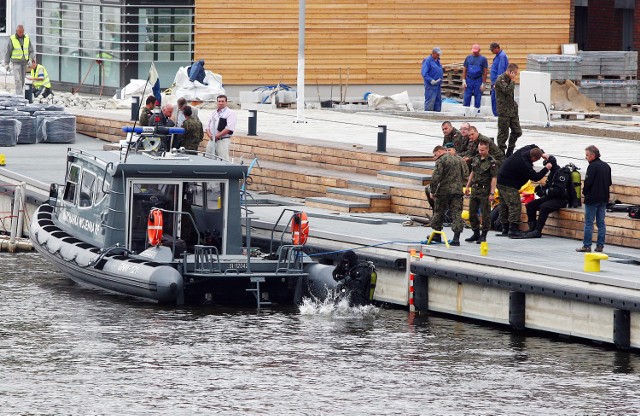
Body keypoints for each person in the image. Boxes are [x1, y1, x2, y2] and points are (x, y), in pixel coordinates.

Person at [496, 144, 551, 238]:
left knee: (504, 205)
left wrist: (542, 152)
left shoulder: (525, 149)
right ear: (533, 157)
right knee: (515, 206)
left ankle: (505, 229)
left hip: (500, 179)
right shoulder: (525, 164)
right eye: (536, 160)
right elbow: (535, 177)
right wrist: (547, 168)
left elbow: (533, 145)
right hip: (509, 184)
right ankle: (513, 230)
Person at [518, 155, 571, 239]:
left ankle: (537, 231)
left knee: (544, 207)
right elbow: (549, 186)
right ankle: (532, 229)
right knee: (530, 205)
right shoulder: (552, 173)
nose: (547, 167)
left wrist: (544, 192)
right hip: (551, 197)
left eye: (547, 165)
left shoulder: (562, 173)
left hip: (561, 199)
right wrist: (540, 188)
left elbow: (558, 191)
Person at [576, 145, 612, 253]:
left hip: (592, 199)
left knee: (589, 223)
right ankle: (600, 245)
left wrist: (584, 192)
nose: (586, 157)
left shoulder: (592, 167)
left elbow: (588, 183)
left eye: (587, 155)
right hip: (604, 198)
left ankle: (587, 246)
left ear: (593, 155)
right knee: (601, 223)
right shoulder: (607, 166)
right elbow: (609, 183)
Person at [429, 145, 467, 246]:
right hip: (457, 191)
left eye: (435, 154)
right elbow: (466, 174)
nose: (435, 157)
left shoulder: (441, 160)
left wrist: (432, 191)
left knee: (439, 212)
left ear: (440, 151)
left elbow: (436, 177)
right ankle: (456, 238)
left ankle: (437, 235)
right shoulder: (459, 160)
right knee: (456, 213)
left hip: (444, 191)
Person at [464, 141, 498, 243]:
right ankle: (475, 233)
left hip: (485, 190)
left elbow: (494, 178)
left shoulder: (492, 162)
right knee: (472, 213)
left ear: (487, 149)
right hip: (475, 189)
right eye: (479, 149)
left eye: (482, 150)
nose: (480, 151)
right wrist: (467, 186)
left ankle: (483, 235)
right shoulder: (476, 158)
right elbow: (472, 172)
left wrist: (492, 193)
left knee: (485, 214)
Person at [495, 63, 522, 157]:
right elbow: (506, 90)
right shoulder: (501, 79)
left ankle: (510, 150)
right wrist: (512, 81)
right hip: (504, 111)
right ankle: (501, 154)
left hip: (512, 110)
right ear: (510, 71)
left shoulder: (509, 80)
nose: (515, 75)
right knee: (503, 134)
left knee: (517, 131)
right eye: (514, 73)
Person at [3, 25, 35, 96]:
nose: (21, 33)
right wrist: (6, 63)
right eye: (20, 32)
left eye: (22, 32)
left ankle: (19, 94)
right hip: (16, 63)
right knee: (18, 80)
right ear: (16, 32)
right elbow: (8, 52)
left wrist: (30, 59)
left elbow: (31, 51)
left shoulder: (27, 38)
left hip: (24, 63)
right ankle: (19, 97)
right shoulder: (12, 39)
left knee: (22, 80)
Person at [205, 94, 237, 161]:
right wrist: (211, 136)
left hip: (222, 140)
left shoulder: (230, 113)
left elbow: (229, 128)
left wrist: (216, 136)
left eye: (222, 101)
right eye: (219, 101)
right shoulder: (214, 113)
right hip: (212, 140)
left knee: (223, 160)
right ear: (217, 102)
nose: (221, 103)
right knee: (208, 159)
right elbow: (207, 126)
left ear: (226, 102)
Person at [462, 44, 488, 112]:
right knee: (467, 97)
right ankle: (465, 113)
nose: (475, 53)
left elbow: (485, 71)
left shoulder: (483, 59)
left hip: (478, 80)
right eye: (474, 51)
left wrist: (483, 83)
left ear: (479, 50)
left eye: (476, 51)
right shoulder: (468, 58)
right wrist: (464, 80)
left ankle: (477, 113)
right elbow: (465, 69)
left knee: (478, 97)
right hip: (469, 79)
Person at [489, 42, 509, 117]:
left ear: (497, 48)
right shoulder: (498, 56)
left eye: (492, 50)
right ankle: (497, 114)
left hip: (498, 82)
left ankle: (498, 114)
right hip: (495, 81)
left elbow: (501, 71)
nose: (491, 51)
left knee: (496, 98)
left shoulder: (502, 56)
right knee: (494, 98)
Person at [421, 47, 443, 112]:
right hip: (430, 86)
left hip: (437, 85)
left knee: (437, 102)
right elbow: (424, 73)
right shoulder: (427, 61)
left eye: (439, 54)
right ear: (433, 53)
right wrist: (430, 80)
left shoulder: (438, 61)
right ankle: (428, 115)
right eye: (437, 54)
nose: (438, 56)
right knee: (430, 101)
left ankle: (437, 115)